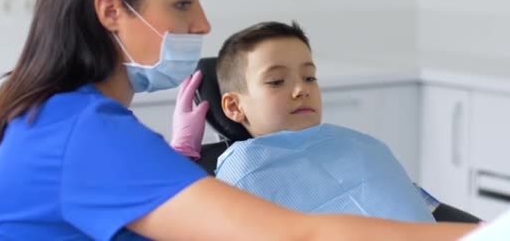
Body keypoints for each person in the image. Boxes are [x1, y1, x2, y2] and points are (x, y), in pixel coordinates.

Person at [0, 0, 477, 239]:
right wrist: (508, 232)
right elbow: (299, 234)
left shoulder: (42, 111)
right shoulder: (82, 135)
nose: (203, 23)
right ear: (112, 11)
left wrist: (175, 158)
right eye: (183, 3)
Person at [178, 21, 436, 222]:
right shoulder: (243, 172)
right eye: (276, 81)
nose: (301, 89)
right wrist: (181, 160)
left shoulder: (359, 146)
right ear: (234, 106)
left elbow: (421, 208)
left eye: (310, 77)